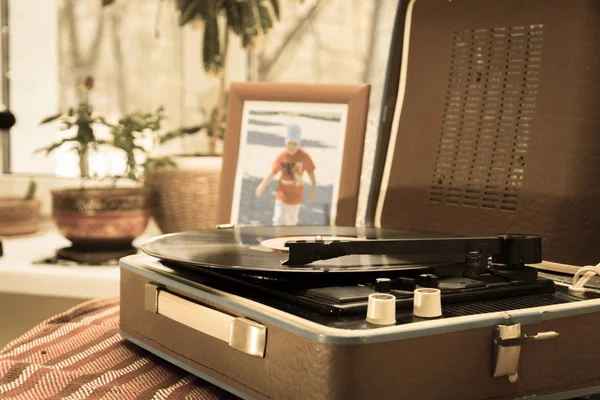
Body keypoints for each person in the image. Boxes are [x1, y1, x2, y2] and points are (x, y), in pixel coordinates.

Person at [255, 123, 317, 226]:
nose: (292, 147)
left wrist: (314, 187)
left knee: (291, 222)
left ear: (299, 144)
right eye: (290, 143)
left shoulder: (304, 156)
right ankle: (277, 239)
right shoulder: (282, 156)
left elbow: (311, 172)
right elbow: (272, 173)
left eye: (295, 144)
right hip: (282, 194)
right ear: (285, 142)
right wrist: (262, 185)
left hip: (296, 194)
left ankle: (288, 240)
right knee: (278, 220)